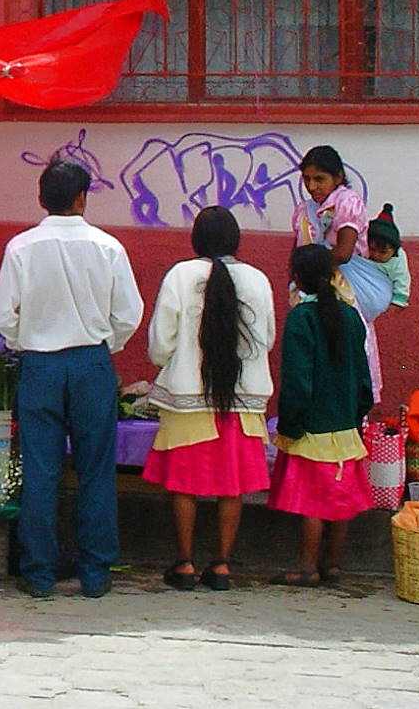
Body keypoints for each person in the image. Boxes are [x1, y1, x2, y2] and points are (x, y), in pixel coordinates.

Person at [0, 158, 144, 600]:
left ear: (42, 198)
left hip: (40, 365)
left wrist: (29, 340)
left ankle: (38, 573)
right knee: (96, 468)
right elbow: (129, 314)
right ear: (82, 198)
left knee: (40, 469)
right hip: (90, 364)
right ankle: (95, 572)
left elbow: (4, 317)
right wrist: (105, 344)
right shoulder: (108, 247)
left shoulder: (21, 248)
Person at [142, 206, 276, 591]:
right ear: (236, 240)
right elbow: (266, 337)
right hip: (242, 401)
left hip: (188, 397)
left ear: (196, 240)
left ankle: (184, 563)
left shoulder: (180, 276)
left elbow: (161, 342)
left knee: (184, 484)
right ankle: (221, 566)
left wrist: (170, 361)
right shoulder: (257, 279)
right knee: (231, 486)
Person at [270, 244, 375, 587]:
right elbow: (364, 376)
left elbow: (297, 380)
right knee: (339, 500)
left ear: (297, 279)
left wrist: (290, 423)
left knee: (313, 503)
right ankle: (332, 566)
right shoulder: (350, 316)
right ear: (332, 275)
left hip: (312, 426)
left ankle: (306, 567)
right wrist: (357, 414)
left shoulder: (301, 318)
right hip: (345, 426)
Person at [291, 144, 383, 396]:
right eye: (307, 179)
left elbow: (343, 252)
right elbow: (296, 252)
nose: (312, 186)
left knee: (347, 347)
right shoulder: (304, 210)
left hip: (345, 290)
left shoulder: (347, 202)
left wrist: (310, 267)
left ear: (339, 177)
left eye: (319, 179)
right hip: (312, 288)